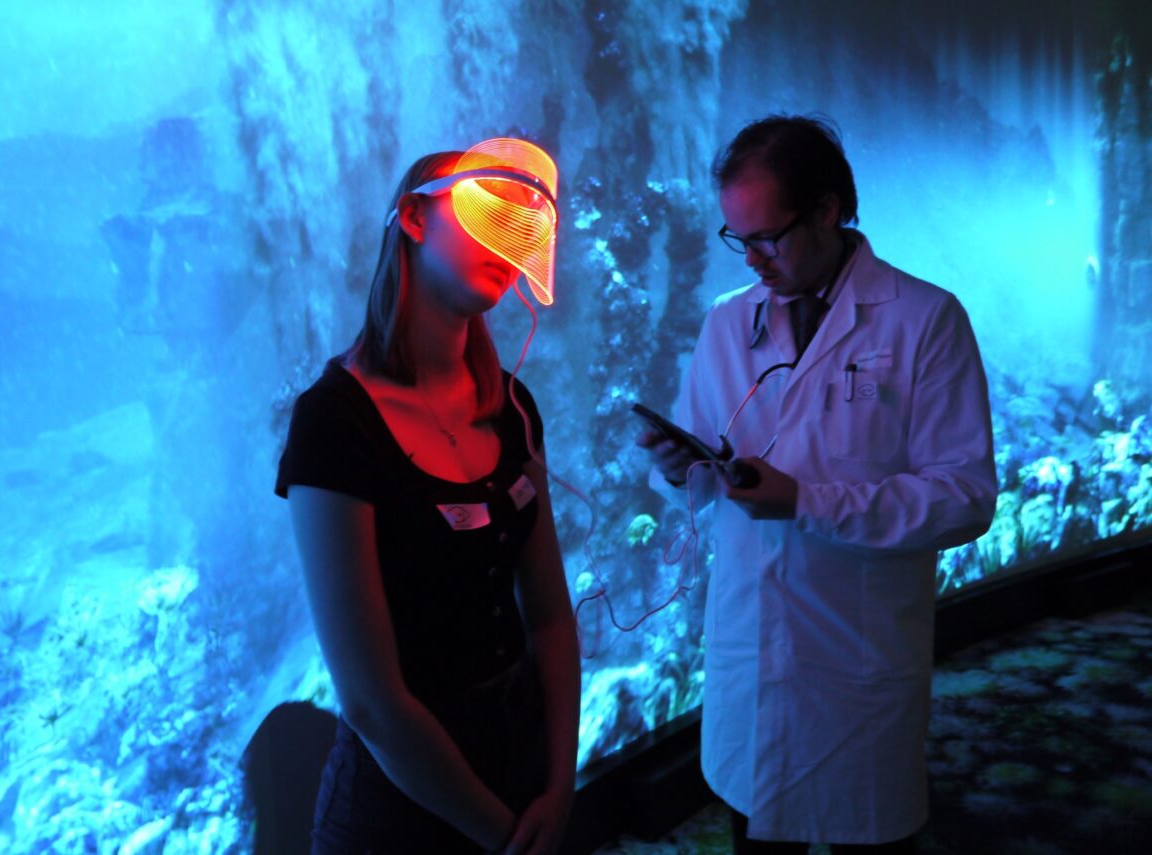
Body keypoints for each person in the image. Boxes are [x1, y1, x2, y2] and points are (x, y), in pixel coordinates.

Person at [639, 115, 997, 853]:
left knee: (870, 834)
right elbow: (702, 466)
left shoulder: (925, 321)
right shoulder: (725, 325)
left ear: (828, 210)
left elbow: (965, 497)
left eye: (769, 238)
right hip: (750, 656)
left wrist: (806, 502)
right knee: (756, 832)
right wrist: (679, 468)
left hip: (856, 661)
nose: (753, 261)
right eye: (738, 239)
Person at [275, 138, 580, 854]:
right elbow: (372, 702)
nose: (509, 238)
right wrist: (502, 836)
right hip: (397, 808)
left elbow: (550, 616)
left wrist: (559, 783)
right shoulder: (334, 421)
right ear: (413, 218)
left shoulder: (512, 406)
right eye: (488, 210)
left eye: (525, 222)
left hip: (521, 769)